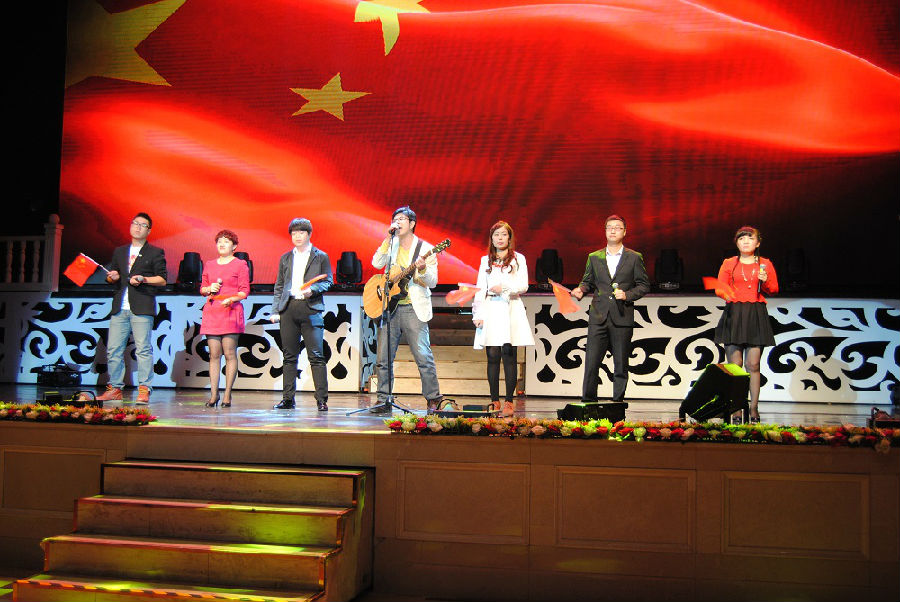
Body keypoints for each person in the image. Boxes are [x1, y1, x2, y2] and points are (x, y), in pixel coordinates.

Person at [372, 206, 445, 413]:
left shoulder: (425, 248)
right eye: (395, 219)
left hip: (414, 308)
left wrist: (422, 268)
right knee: (383, 358)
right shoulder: (391, 244)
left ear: (412, 224)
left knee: (423, 356)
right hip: (390, 307)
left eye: (402, 219)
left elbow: (432, 282)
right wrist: (387, 239)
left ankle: (433, 399)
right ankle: (383, 399)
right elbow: (376, 263)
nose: (398, 222)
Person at [572, 214, 650, 403]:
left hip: (622, 317)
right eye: (609, 227)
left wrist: (627, 295)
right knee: (592, 363)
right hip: (598, 317)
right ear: (605, 231)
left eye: (617, 227)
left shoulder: (634, 257)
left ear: (625, 232)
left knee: (621, 364)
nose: (613, 230)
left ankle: (617, 403)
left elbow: (644, 285)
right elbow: (587, 281)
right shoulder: (594, 257)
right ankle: (588, 402)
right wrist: (581, 290)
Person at [95, 212, 167, 403]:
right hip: (120, 306)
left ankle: (144, 388)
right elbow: (113, 276)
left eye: (143, 225)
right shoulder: (120, 251)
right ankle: (115, 388)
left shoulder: (155, 252)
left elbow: (162, 279)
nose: (138, 227)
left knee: (143, 349)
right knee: (113, 349)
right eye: (135, 223)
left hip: (142, 306)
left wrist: (144, 279)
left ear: (148, 231)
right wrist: (112, 277)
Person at [713, 225, 778, 422]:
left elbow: (774, 289)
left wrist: (765, 281)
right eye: (741, 238)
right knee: (736, 365)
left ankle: (754, 408)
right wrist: (727, 294)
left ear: (757, 243)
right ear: (737, 243)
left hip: (755, 313)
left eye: (750, 238)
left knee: (753, 364)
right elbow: (719, 288)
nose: (746, 241)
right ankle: (736, 409)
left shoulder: (765, 264)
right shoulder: (729, 263)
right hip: (735, 313)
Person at [472, 221, 534, 416]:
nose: (500, 238)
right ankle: (494, 400)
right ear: (491, 239)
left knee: (509, 354)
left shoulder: (518, 259)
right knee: (492, 355)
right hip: (491, 307)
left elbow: (523, 285)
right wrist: (477, 314)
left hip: (510, 307)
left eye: (503, 234)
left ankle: (508, 401)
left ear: (509, 237)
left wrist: (504, 287)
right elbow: (480, 288)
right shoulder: (485, 260)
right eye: (496, 234)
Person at [270, 218, 333, 411]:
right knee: (289, 356)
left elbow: (328, 281)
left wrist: (312, 290)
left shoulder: (320, 256)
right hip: (289, 308)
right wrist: (275, 310)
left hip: (311, 308)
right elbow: (279, 286)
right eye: (294, 233)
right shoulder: (285, 258)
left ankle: (321, 400)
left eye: (301, 232)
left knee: (316, 356)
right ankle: (288, 399)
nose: (297, 236)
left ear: (309, 234)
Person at [199, 230, 250, 408]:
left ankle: (227, 394)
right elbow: (202, 288)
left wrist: (232, 299)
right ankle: (214, 395)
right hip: (213, 311)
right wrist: (208, 289)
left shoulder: (240, 264)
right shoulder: (209, 264)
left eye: (226, 241)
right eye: (219, 241)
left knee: (229, 353)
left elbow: (244, 291)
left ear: (234, 246)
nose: (222, 244)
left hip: (230, 310)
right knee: (214, 354)